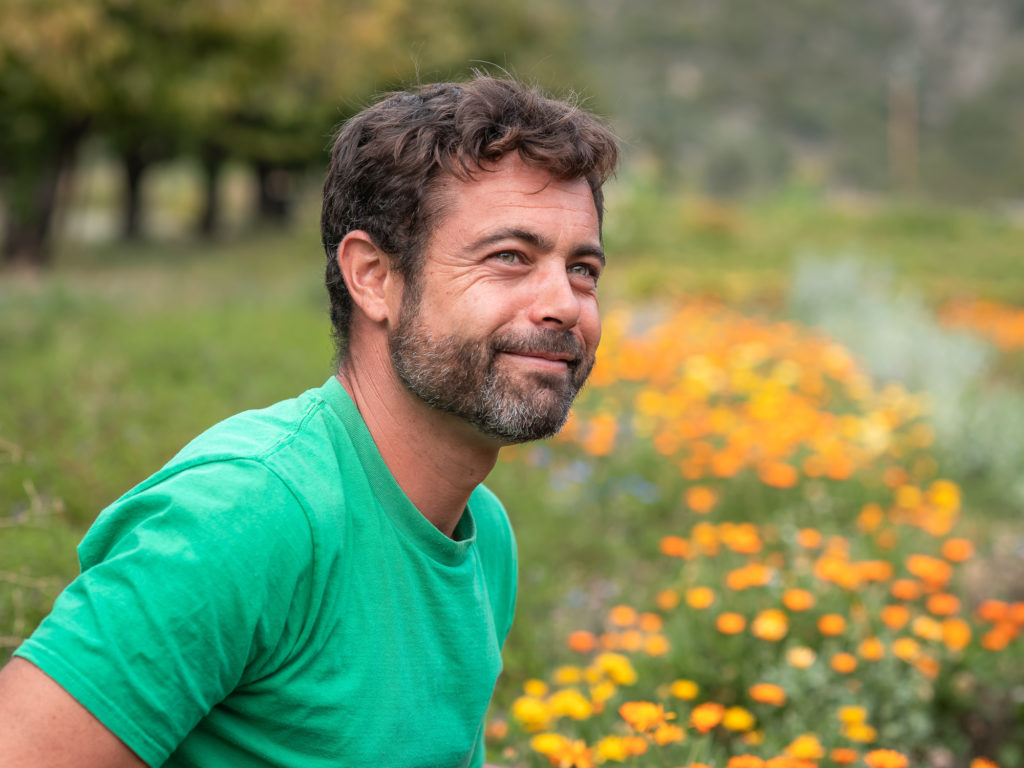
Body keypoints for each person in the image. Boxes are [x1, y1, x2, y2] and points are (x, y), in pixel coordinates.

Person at [0, 74, 618, 767]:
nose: (564, 303)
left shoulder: (483, 535)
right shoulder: (246, 515)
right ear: (374, 277)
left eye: (583, 269)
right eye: (511, 257)